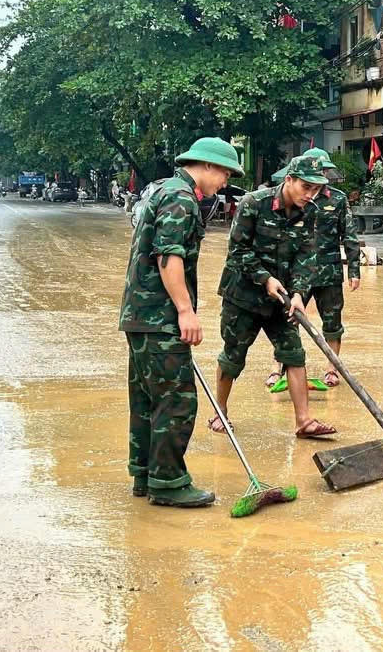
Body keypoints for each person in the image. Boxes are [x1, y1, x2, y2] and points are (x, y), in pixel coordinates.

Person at [118, 136, 243, 507]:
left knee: (147, 401)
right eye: (224, 173)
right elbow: (168, 258)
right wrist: (186, 311)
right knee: (177, 402)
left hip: (140, 316)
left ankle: (145, 475)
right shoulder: (182, 198)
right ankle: (168, 483)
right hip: (160, 317)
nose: (225, 181)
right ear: (207, 165)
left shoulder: (162, 189)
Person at [211, 154, 338, 439]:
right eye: (306, 187)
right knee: (233, 356)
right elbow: (238, 251)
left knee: (294, 353)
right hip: (243, 295)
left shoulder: (310, 211)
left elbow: (307, 255)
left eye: (316, 188)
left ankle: (304, 421)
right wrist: (264, 278)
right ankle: (220, 412)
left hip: (282, 299)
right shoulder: (254, 204)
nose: (311, 194)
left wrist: (299, 294)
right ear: (289, 180)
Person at [267, 148, 360, 391]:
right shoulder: (293, 198)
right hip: (297, 274)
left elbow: (349, 235)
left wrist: (354, 270)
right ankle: (277, 368)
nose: (320, 176)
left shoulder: (337, 199)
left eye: (324, 171)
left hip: (328, 272)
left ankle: (332, 369)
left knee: (333, 323)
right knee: (287, 320)